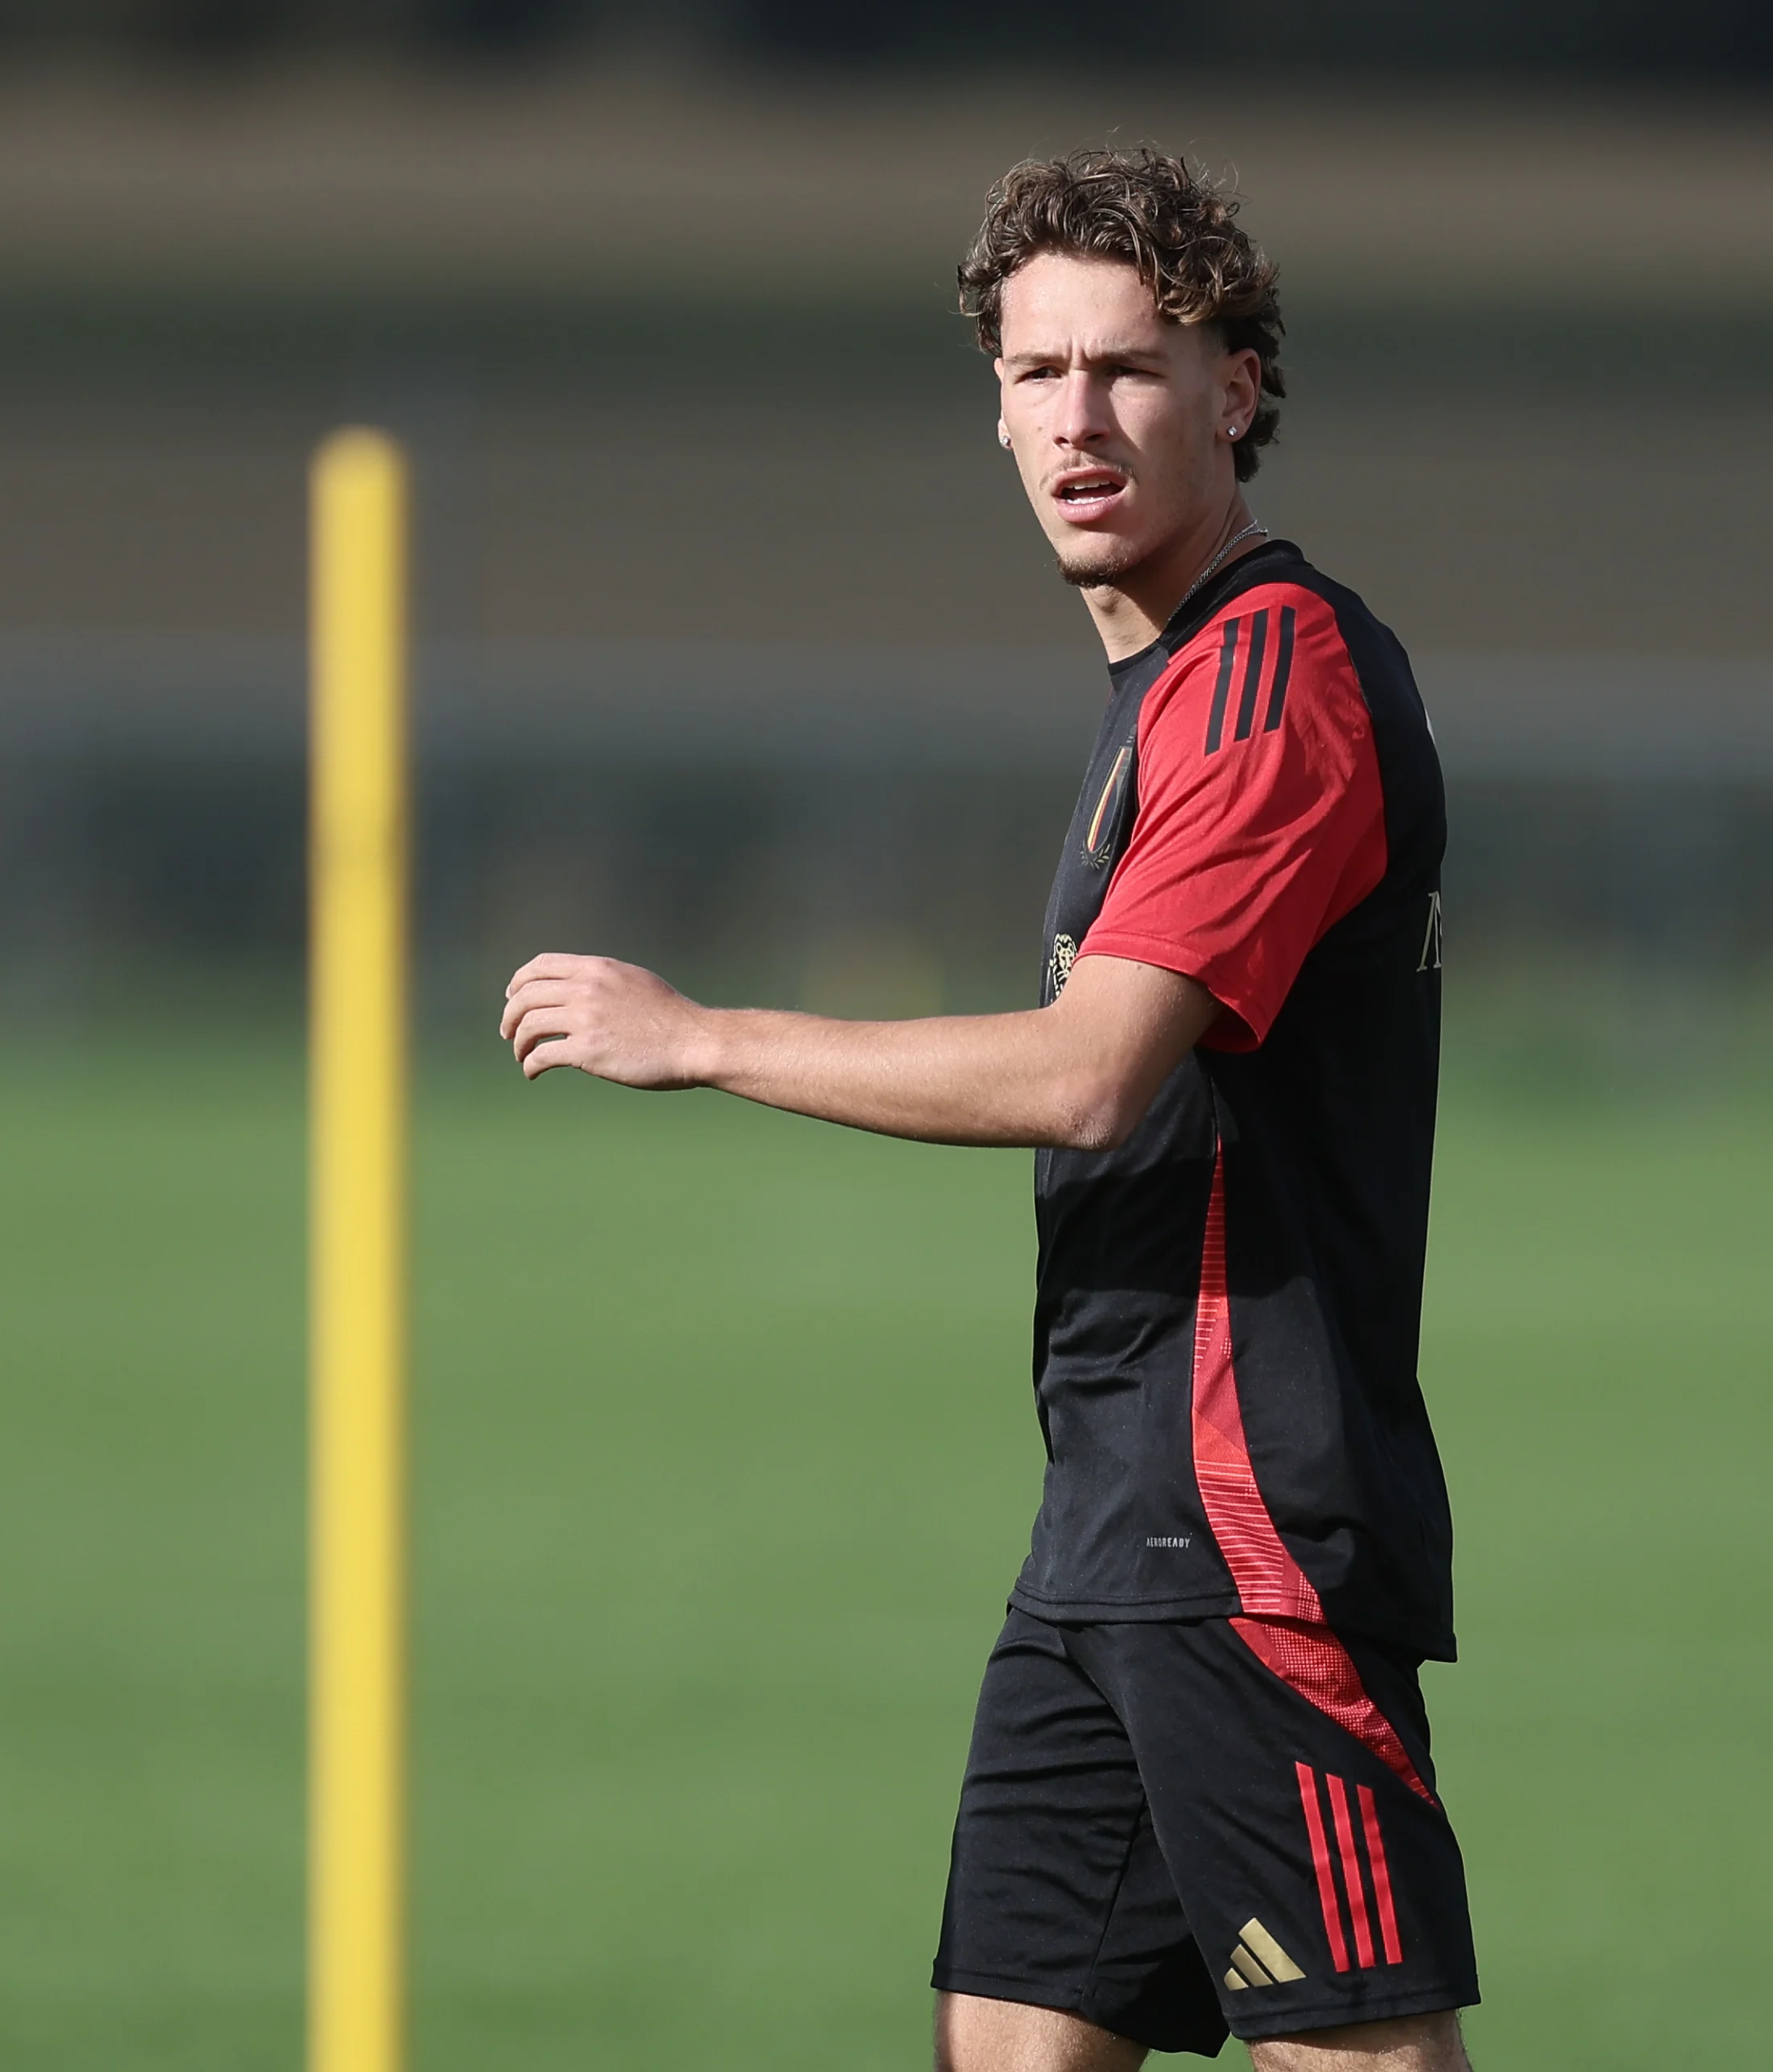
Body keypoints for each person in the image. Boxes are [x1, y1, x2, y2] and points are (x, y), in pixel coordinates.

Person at [499, 149, 1471, 2070]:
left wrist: (702, 1035)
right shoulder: (1168, 683)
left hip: (1245, 1525)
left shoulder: (1276, 679)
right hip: (1111, 1522)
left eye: (1128, 367)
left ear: (1237, 390)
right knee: (1007, 2044)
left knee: (1356, 2049)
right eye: (1037, 375)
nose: (1076, 420)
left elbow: (1090, 1072)